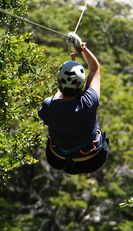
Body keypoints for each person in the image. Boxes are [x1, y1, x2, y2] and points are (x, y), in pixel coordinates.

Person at [38, 32, 109, 174]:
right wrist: (81, 48)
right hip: (90, 159)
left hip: (56, 157)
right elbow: (94, 69)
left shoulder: (48, 106)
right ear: (82, 84)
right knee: (101, 134)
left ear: (59, 82)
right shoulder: (88, 103)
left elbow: (58, 99)